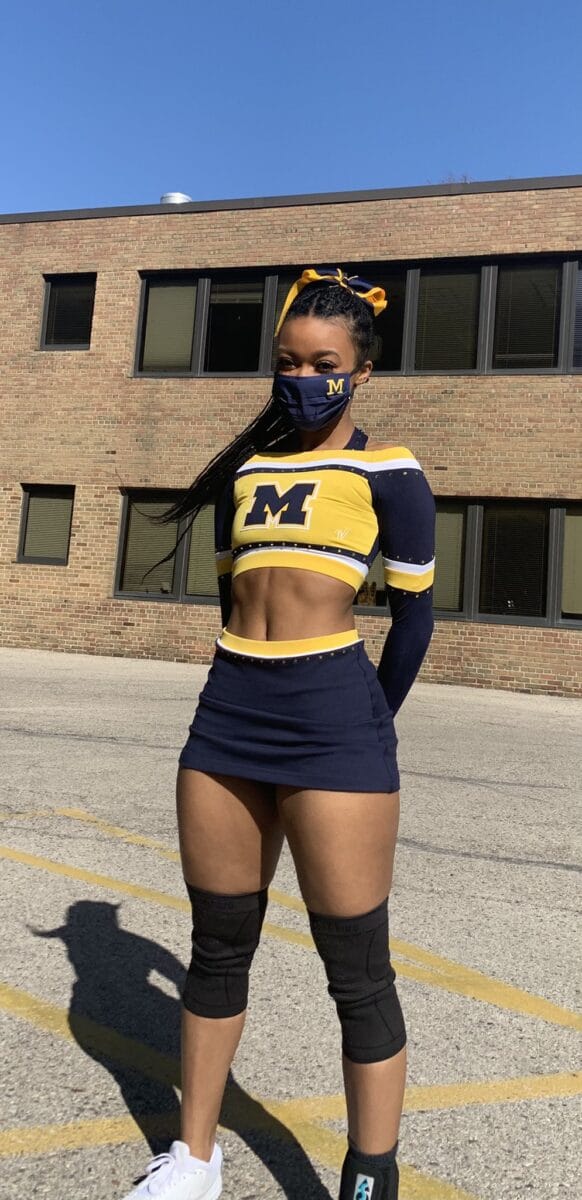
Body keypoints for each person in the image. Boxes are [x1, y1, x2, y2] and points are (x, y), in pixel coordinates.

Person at [120, 267, 436, 1200]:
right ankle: (194, 1161)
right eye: (288, 362)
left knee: (358, 972)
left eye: (323, 363)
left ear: (361, 371)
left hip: (334, 718)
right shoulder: (248, 473)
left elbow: (414, 620)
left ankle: (368, 1182)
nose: (303, 378)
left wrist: (370, 720)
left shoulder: (392, 472)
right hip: (228, 714)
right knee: (218, 947)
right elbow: (234, 594)